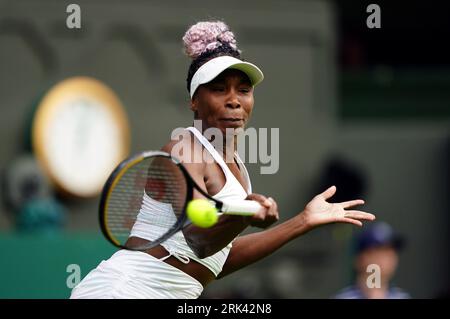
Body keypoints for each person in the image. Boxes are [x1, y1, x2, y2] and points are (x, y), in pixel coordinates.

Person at [70, 20, 375, 299]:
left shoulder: (239, 171)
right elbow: (199, 240)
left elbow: (216, 260)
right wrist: (243, 217)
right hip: (123, 291)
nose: (233, 99)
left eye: (243, 90)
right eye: (218, 89)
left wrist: (303, 221)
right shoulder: (183, 149)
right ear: (194, 101)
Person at [334, 221, 410, 299]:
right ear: (360, 258)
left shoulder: (402, 297)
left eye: (391, 251)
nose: (387, 258)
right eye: (379, 251)